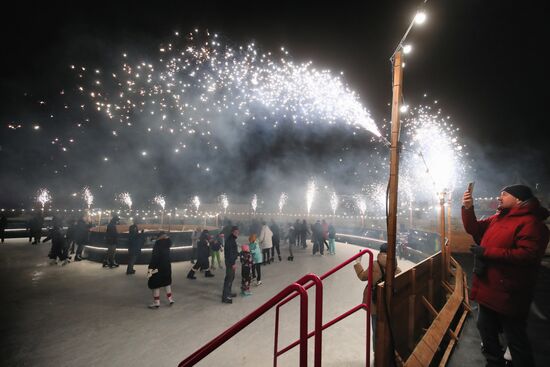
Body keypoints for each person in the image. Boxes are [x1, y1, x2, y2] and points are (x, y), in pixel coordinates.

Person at [462, 184, 549, 367]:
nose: (499, 198)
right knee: (485, 329)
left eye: (504, 195)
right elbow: (475, 229)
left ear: (518, 199)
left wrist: (487, 252)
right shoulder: (498, 218)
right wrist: (468, 209)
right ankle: (494, 362)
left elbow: (527, 254)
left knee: (515, 337)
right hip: (489, 287)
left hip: (510, 292)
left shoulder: (532, 223)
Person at [354, 243, 401, 346]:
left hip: (375, 303)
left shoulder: (375, 265)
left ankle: (377, 353)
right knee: (388, 329)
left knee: (376, 329)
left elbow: (362, 276)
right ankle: (386, 352)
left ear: (380, 252)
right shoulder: (396, 268)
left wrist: (357, 262)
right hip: (389, 304)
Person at [147, 232, 174, 308]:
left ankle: (157, 302)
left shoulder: (158, 244)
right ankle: (170, 299)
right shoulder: (168, 243)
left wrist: (150, 268)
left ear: (159, 237)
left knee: (155, 284)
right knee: (167, 282)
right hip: (167, 266)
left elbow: (154, 258)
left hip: (158, 267)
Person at [222, 226, 239, 304]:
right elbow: (230, 253)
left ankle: (228, 293)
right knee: (229, 278)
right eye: (235, 232)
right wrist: (233, 263)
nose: (237, 233)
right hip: (230, 262)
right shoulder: (230, 240)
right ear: (232, 232)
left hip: (231, 261)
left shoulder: (232, 239)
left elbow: (233, 251)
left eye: (238, 232)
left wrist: (239, 254)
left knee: (231, 278)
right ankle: (225, 297)